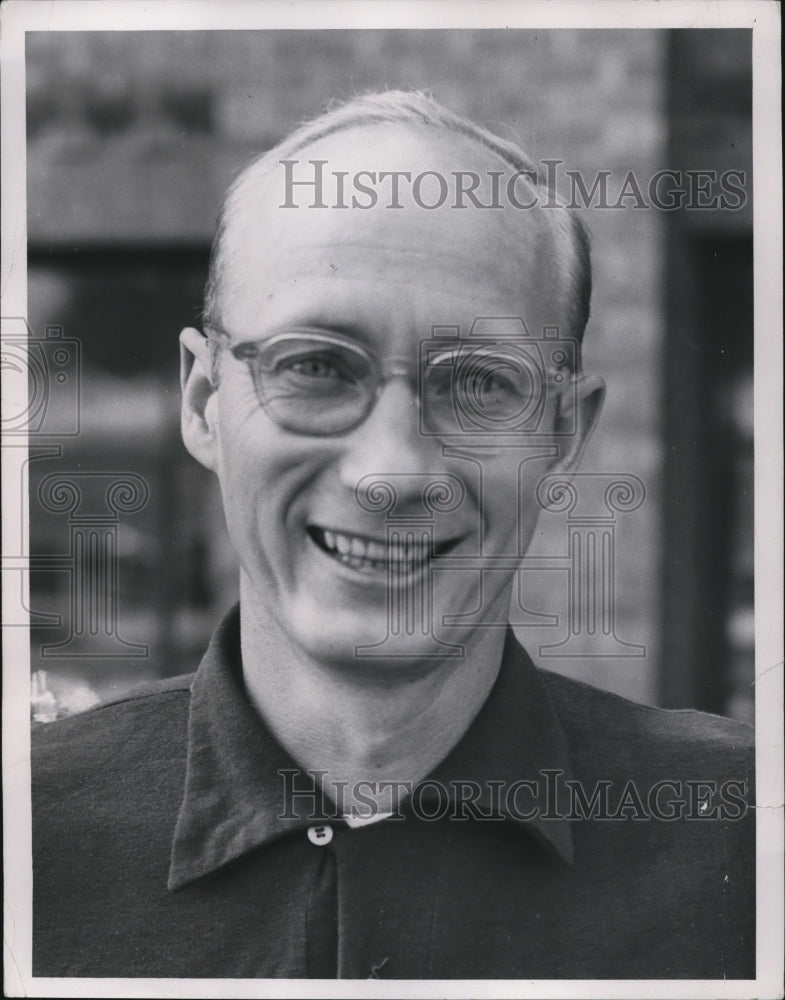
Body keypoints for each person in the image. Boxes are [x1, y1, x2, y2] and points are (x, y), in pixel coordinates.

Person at [32, 91, 754, 980]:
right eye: (315, 366)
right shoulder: (27, 839)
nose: (391, 471)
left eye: (478, 384)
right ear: (203, 400)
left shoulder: (749, 848)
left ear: (563, 435)